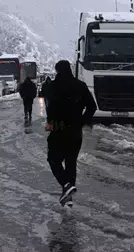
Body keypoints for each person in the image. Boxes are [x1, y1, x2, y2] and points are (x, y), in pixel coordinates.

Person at [44, 60, 96, 207]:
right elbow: (92, 106)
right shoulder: (80, 86)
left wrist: (51, 121)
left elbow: (49, 107)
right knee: (71, 162)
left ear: (57, 70)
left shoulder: (52, 87)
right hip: (75, 131)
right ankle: (68, 196)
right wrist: (82, 121)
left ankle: (66, 186)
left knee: (53, 159)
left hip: (57, 130)